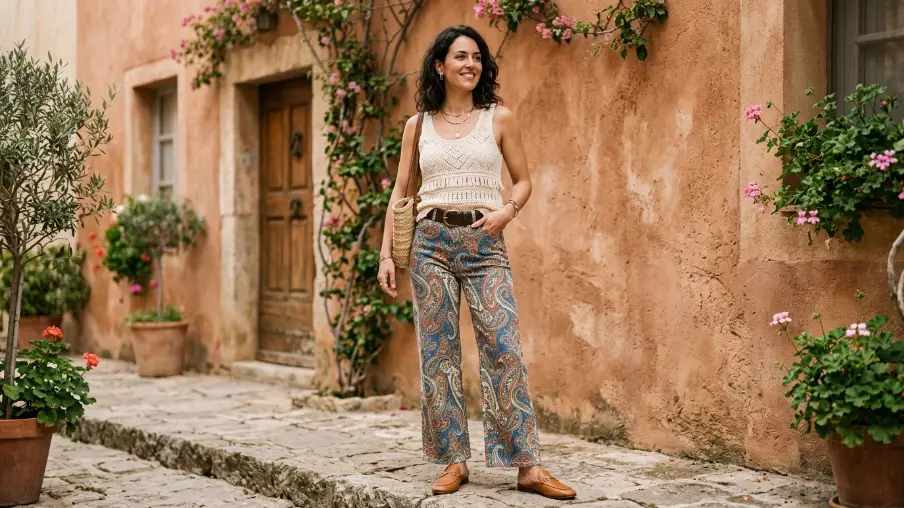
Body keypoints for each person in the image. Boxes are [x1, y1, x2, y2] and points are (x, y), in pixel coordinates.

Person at [376, 25, 577, 500]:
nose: (471, 64)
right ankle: (454, 461)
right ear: (440, 66)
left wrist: (508, 211)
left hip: (485, 241)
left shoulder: (499, 118)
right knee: (438, 354)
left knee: (503, 347)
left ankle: (527, 466)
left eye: (477, 57)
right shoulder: (418, 125)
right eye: (460, 56)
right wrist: (387, 253)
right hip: (430, 243)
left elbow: (523, 180)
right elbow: (401, 192)